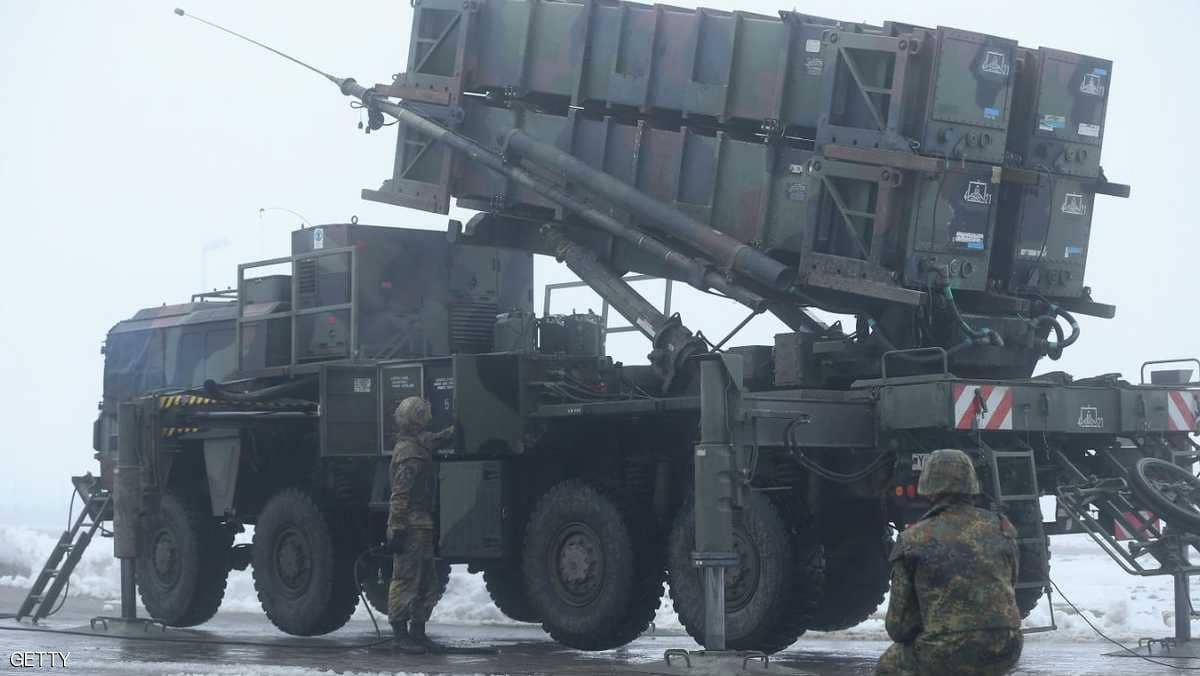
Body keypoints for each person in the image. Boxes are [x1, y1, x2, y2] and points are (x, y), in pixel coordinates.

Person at [877, 448, 1023, 676]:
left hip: (945, 652)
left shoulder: (913, 539)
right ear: (971, 483)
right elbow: (1009, 584)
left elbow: (898, 626)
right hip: (1006, 649)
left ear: (928, 486)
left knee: (888, 665)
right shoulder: (1002, 528)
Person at [387, 396, 453, 654]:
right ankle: (400, 635)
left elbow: (434, 439)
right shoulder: (408, 454)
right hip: (410, 525)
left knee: (427, 580)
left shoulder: (418, 444)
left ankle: (418, 632)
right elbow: (399, 495)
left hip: (421, 525)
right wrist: (398, 528)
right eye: (423, 415)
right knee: (405, 579)